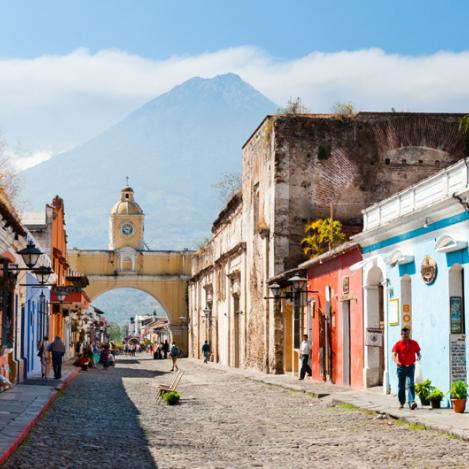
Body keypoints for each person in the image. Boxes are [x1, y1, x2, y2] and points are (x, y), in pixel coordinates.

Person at [392, 327, 421, 409]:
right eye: (404, 334)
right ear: (401, 334)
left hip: (411, 366)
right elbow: (393, 355)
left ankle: (411, 402)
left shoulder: (414, 343)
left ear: (410, 334)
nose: (406, 336)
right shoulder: (398, 344)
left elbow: (418, 352)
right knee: (401, 385)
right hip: (401, 367)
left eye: (407, 334)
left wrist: (419, 356)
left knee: (411, 383)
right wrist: (396, 361)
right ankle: (401, 402)